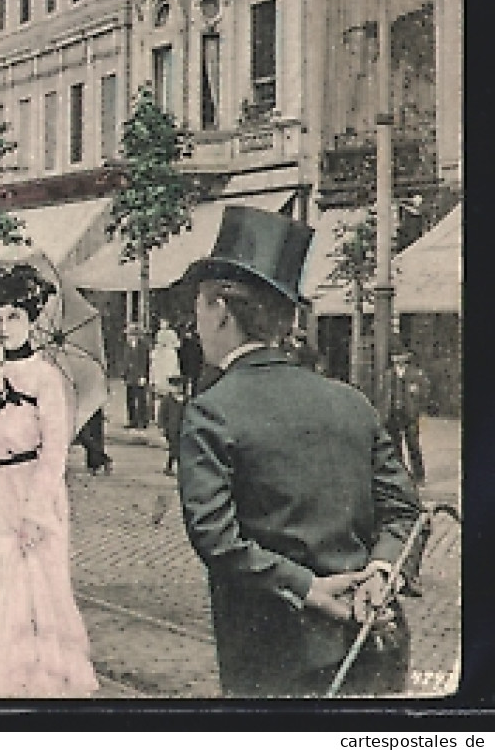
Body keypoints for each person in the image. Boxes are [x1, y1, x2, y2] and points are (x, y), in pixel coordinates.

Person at [177, 206, 421, 697]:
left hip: (273, 651)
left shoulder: (212, 410)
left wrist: (308, 590)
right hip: (371, 641)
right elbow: (406, 510)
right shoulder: (351, 401)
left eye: (199, 307)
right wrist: (380, 572)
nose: (196, 322)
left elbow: (217, 538)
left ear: (221, 309)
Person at [0, 260, 98, 698]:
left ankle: (49, 683)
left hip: (34, 487)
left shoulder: (47, 379)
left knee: (39, 584)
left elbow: (55, 450)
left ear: (30, 318)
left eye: (13, 317)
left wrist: (38, 510)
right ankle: (3, 680)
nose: (3, 327)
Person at [377, 349, 429, 485]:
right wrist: (383, 413)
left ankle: (419, 476)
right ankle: (401, 474)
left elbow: (423, 393)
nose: (398, 360)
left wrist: (417, 408)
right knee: (395, 445)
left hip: (409, 414)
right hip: (392, 413)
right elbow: (383, 395)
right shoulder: (388, 375)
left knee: (413, 444)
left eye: (401, 357)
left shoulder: (415, 374)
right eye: (395, 357)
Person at [151, 319, 184, 475]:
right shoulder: (158, 353)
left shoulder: (171, 353)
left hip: (178, 427)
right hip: (171, 427)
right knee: (174, 448)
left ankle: (172, 467)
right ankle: (171, 467)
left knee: (176, 448)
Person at [123, 325, 152, 428]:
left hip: (139, 376)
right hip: (130, 376)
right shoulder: (127, 345)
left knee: (141, 399)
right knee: (130, 399)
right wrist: (125, 374)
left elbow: (144, 362)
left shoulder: (143, 346)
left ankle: (143, 421)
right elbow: (126, 360)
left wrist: (143, 376)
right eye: (128, 335)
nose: (129, 337)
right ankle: (132, 421)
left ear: (136, 335)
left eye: (131, 334)